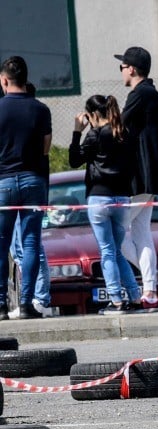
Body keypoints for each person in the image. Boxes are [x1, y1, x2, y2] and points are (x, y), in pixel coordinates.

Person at [68, 95, 141, 314]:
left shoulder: (95, 135)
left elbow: (74, 161)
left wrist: (76, 132)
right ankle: (136, 297)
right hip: (122, 198)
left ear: (91, 115)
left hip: (99, 198)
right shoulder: (123, 133)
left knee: (108, 251)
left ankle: (116, 300)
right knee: (117, 251)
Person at [115, 46, 158, 309]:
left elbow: (119, 127)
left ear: (132, 69)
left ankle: (152, 277)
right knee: (142, 233)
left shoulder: (139, 94)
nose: (121, 72)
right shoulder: (153, 94)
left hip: (139, 176)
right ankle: (150, 290)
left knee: (115, 231)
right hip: (151, 176)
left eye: (122, 67)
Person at [0, 56, 51, 320]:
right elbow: (45, 148)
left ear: (4, 80)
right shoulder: (40, 109)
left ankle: (0, 305)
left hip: (3, 181)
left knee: (1, 243)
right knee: (31, 242)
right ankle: (27, 303)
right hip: (33, 180)